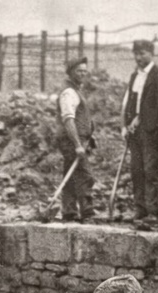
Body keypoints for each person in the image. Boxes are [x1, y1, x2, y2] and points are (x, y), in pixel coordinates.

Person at [121, 39, 158, 222]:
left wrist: (140, 117)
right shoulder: (135, 75)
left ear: (151, 53)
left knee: (151, 170)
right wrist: (127, 124)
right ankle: (140, 208)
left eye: (142, 53)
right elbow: (131, 102)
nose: (138, 57)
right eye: (136, 53)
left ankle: (153, 209)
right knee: (137, 170)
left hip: (151, 129)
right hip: (134, 131)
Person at [57, 56, 97, 222]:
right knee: (85, 176)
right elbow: (68, 119)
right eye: (78, 71)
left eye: (84, 71)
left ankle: (69, 212)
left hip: (79, 140)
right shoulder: (69, 92)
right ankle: (87, 213)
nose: (82, 74)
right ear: (71, 72)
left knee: (71, 176)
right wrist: (77, 145)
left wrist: (89, 137)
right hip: (72, 141)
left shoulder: (76, 90)